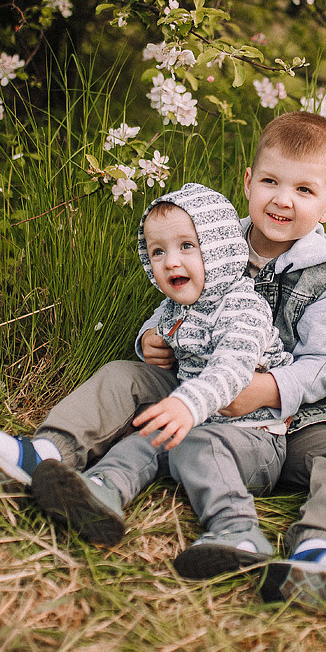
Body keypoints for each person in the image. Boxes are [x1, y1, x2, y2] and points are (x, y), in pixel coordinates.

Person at [0, 111, 326, 613]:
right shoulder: (211, 233)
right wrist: (152, 340)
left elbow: (325, 365)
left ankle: (318, 554)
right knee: (122, 375)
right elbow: (172, 296)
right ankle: (44, 456)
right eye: (270, 181)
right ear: (248, 183)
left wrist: (265, 389)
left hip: (289, 422)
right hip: (190, 383)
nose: (283, 200)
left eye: (304, 191)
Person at [30, 182, 295, 575]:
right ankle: (101, 492)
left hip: (253, 439)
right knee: (145, 440)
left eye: (187, 246)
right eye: (158, 251)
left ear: (219, 249)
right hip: (192, 422)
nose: (171, 262)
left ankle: (237, 530)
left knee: (197, 444)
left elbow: (232, 370)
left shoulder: (244, 307)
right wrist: (148, 341)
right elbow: (163, 333)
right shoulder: (177, 306)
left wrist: (186, 404)